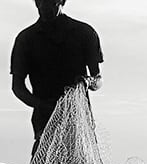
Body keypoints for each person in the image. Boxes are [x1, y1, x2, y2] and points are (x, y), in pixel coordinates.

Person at [11, 0, 103, 149]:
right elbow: (17, 87)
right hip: (45, 122)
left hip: (79, 122)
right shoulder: (26, 39)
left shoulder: (84, 32)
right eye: (39, 2)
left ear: (61, 1)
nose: (43, 6)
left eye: (49, 2)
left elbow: (98, 79)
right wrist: (42, 105)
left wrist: (87, 82)